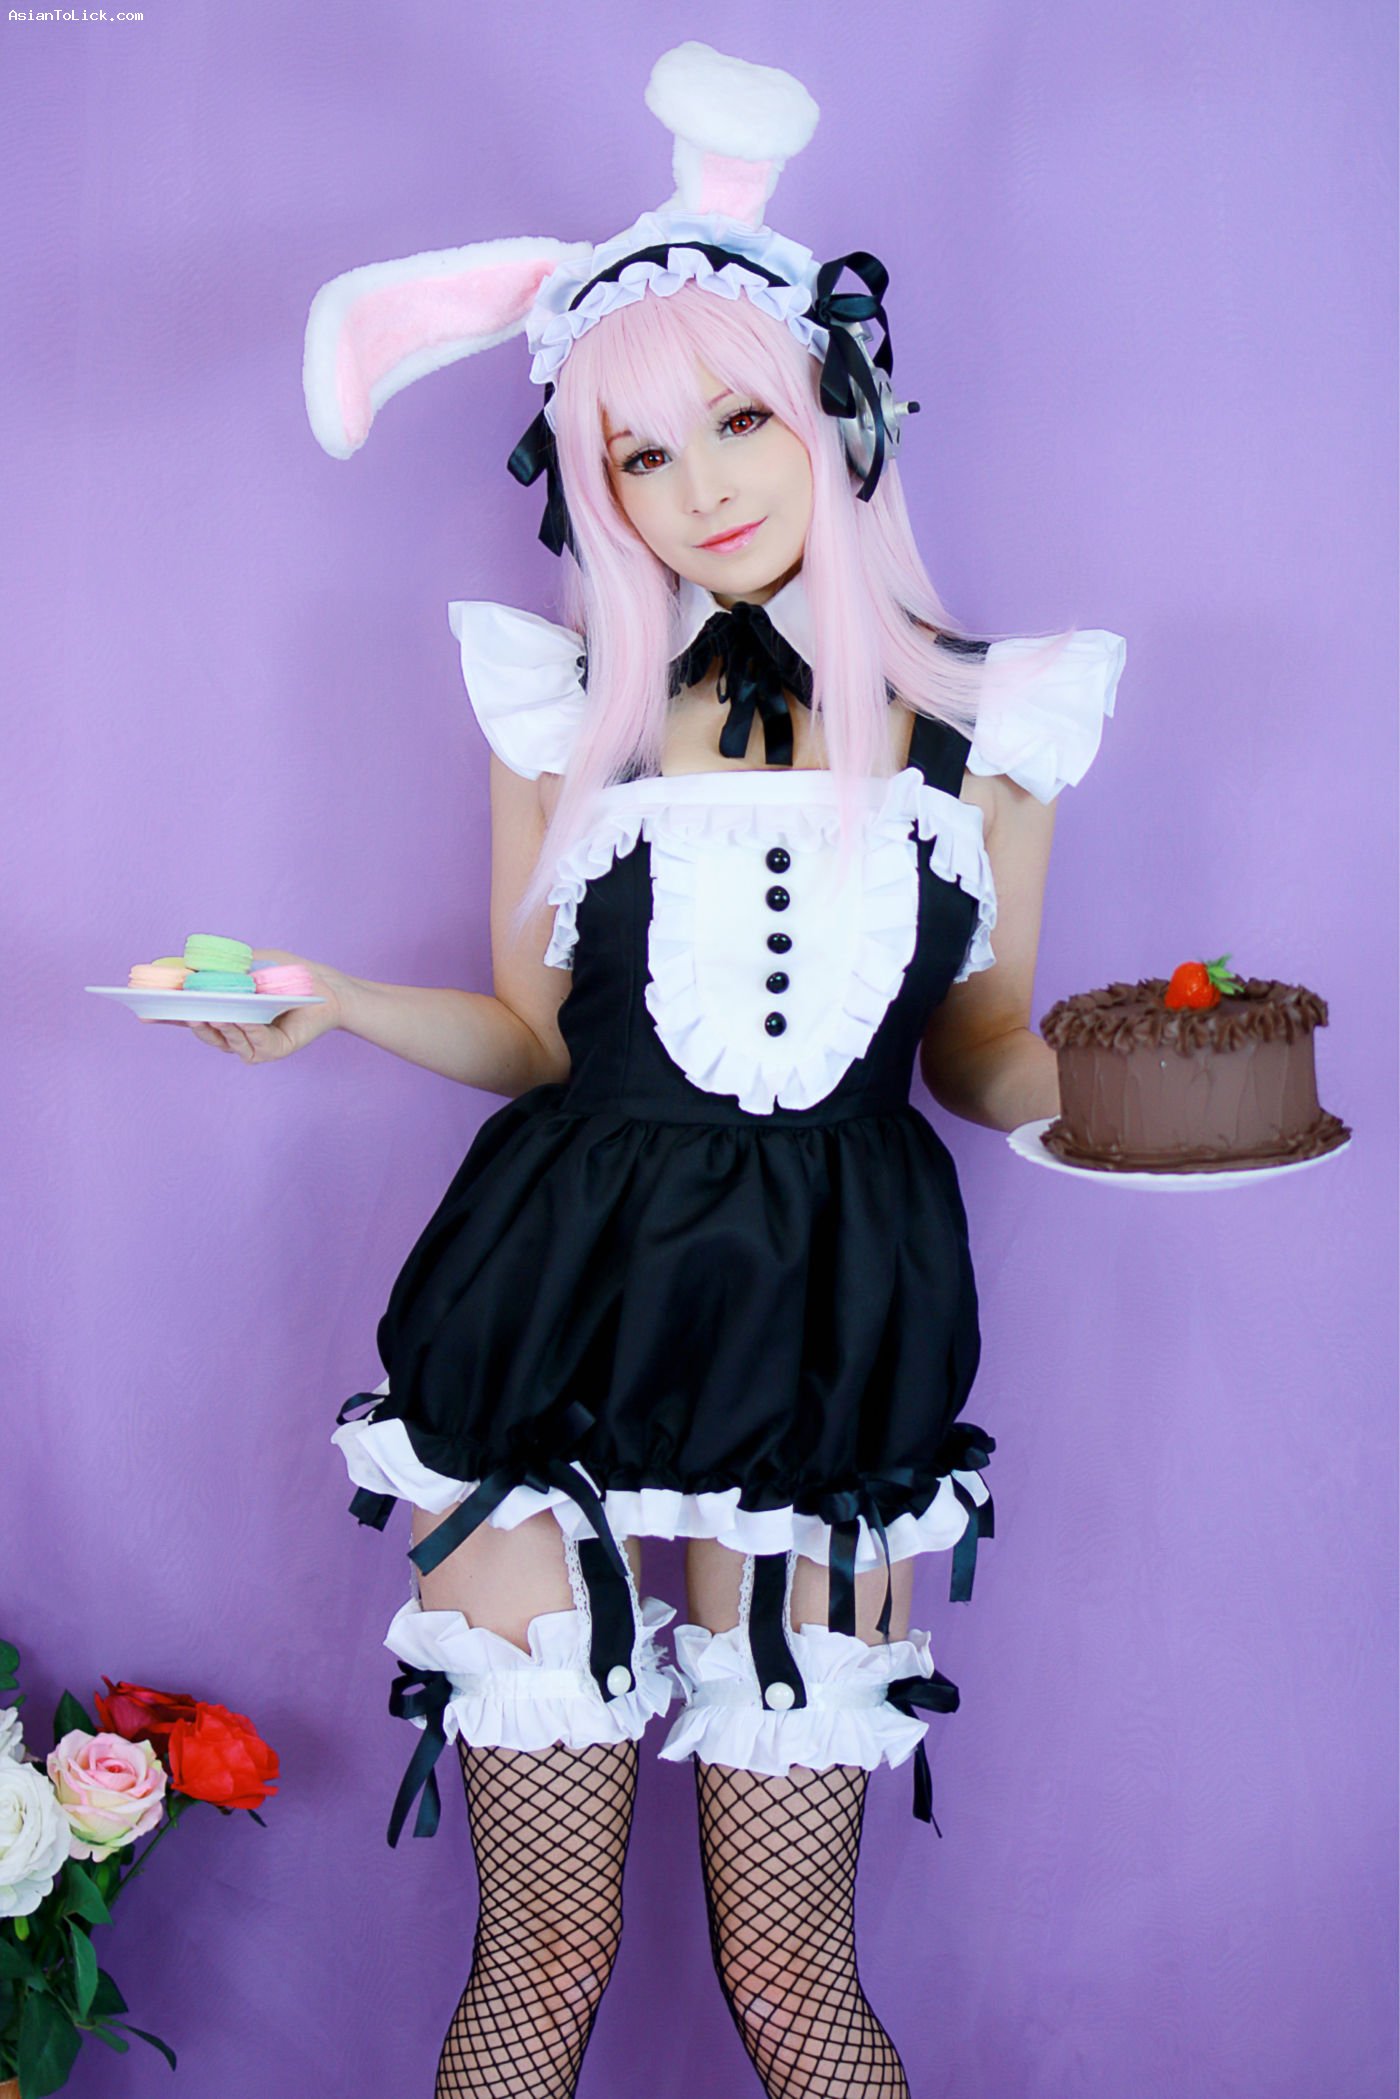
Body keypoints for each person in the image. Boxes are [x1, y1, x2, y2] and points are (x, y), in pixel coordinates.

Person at [186, 42, 1126, 2099]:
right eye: (638, 454)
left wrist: (1107, 1104)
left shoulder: (997, 726)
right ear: (592, 487)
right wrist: (341, 1003)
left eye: (738, 419)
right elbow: (534, 1037)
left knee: (794, 1973)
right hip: (552, 1309)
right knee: (543, 1958)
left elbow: (981, 1041)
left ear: (833, 413)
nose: (701, 487)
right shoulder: (570, 718)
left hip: (831, 1337)